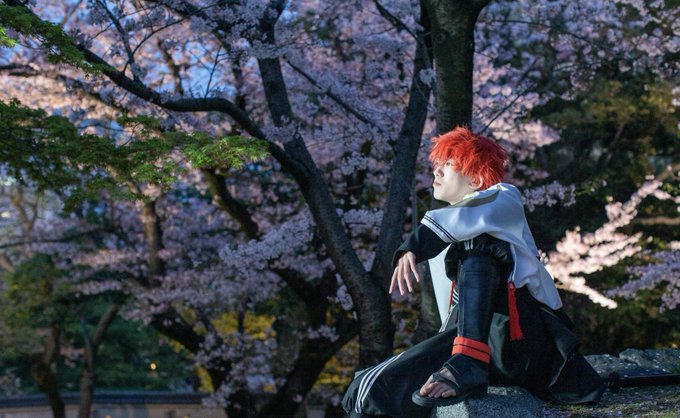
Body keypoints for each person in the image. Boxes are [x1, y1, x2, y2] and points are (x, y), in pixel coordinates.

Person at [342, 127, 605, 417]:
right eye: (437, 164)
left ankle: (467, 362)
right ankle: (464, 362)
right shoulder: (452, 232)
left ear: (476, 180)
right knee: (372, 391)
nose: (436, 171)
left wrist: (414, 246)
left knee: (477, 244)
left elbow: (472, 217)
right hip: (482, 347)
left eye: (448, 164)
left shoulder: (504, 198)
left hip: (522, 345)